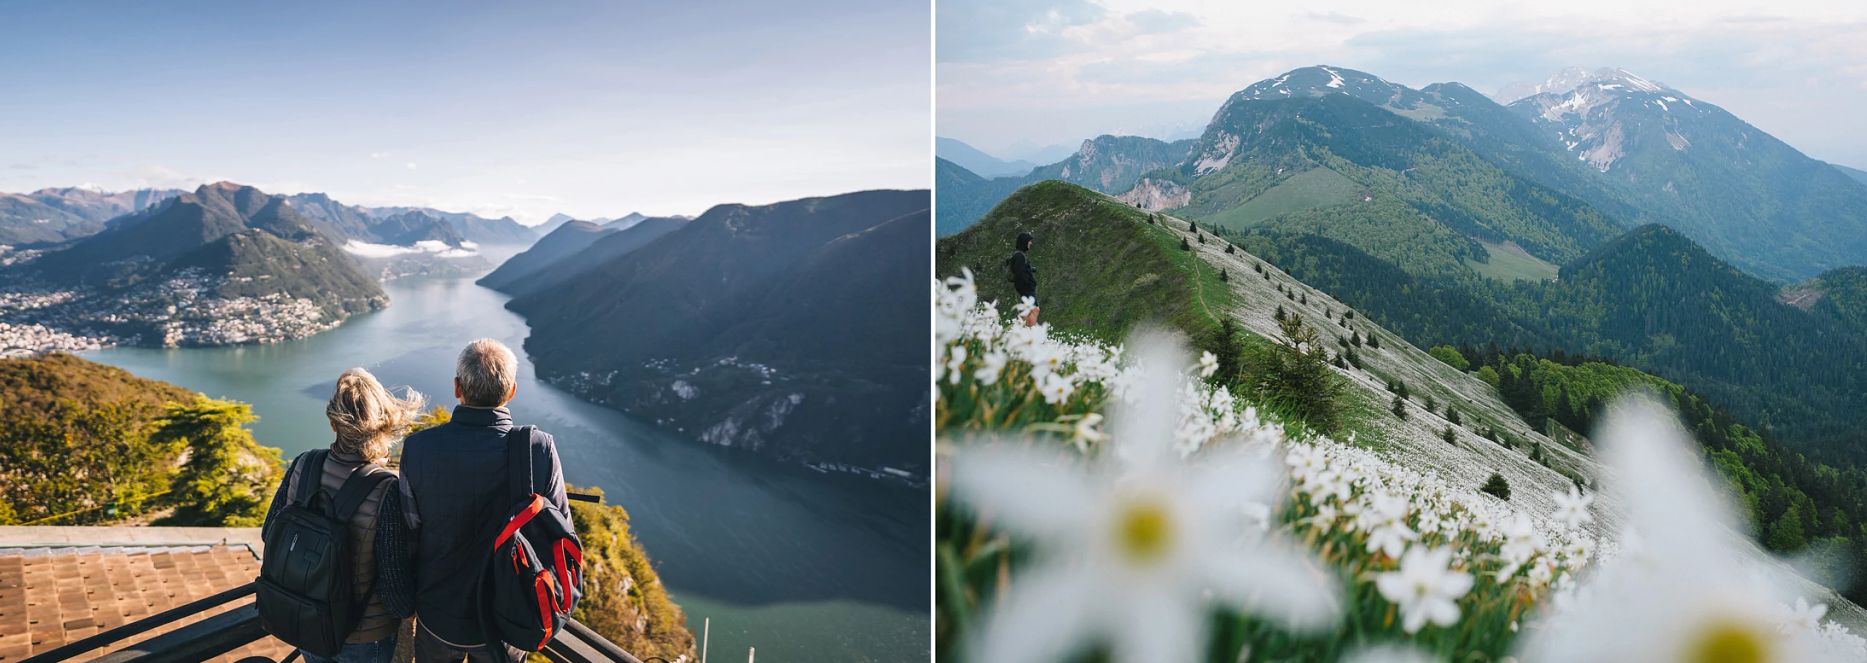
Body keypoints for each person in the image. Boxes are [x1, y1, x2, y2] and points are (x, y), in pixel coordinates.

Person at [400, 338, 570, 662]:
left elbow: (410, 531)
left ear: (457, 387)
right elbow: (559, 532)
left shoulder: (419, 448)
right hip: (506, 618)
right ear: (512, 391)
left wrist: (406, 598)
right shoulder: (538, 449)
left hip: (437, 612)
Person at [262, 368, 423, 663]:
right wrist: (411, 611)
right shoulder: (386, 489)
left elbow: (269, 532)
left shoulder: (303, 464)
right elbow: (393, 581)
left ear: (333, 423)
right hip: (365, 634)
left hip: (308, 619)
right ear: (382, 423)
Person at [1008, 231, 1039, 326]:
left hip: (1026, 289)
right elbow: (1019, 273)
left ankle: (1025, 330)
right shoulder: (1019, 256)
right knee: (1033, 310)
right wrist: (1028, 284)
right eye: (1029, 241)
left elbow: (1021, 271)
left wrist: (1030, 270)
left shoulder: (1020, 255)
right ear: (1024, 242)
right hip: (1026, 289)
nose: (1031, 243)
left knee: (1031, 310)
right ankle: (1030, 331)